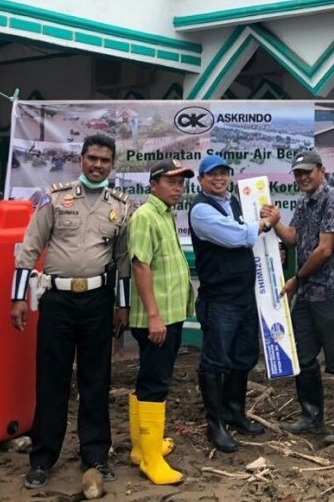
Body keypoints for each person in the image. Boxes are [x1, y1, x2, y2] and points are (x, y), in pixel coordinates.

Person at [11, 134, 130, 489]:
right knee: (52, 380)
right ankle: (43, 457)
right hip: (57, 302)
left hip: (98, 302)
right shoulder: (55, 199)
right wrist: (18, 299)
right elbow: (29, 250)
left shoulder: (121, 206)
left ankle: (95, 455)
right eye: (92, 158)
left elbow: (123, 261)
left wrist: (122, 305)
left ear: (112, 165)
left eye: (105, 160)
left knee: (96, 381)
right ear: (82, 159)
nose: (97, 165)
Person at [261, 150, 334, 445]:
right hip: (306, 293)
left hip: (331, 292)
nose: (303, 177)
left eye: (308, 172)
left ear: (322, 171)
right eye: (298, 173)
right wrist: (275, 221)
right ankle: (311, 416)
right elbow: (292, 239)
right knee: (302, 356)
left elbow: (325, 249)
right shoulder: (303, 203)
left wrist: (297, 277)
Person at [188, 154, 278, 453]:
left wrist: (263, 213)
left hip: (243, 296)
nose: (219, 178)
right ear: (201, 180)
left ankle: (235, 413)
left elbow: (250, 227)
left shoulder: (235, 202)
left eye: (224, 173)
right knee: (215, 361)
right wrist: (266, 222)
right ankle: (215, 425)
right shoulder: (201, 209)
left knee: (244, 356)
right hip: (220, 299)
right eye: (212, 174)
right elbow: (237, 237)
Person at [128, 158, 194, 486]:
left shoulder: (165, 215)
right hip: (158, 319)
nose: (179, 188)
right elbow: (141, 266)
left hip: (169, 315)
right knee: (157, 382)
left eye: (182, 182)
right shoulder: (145, 216)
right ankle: (151, 460)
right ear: (153, 184)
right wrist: (154, 316)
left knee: (150, 378)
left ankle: (142, 448)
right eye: (172, 181)